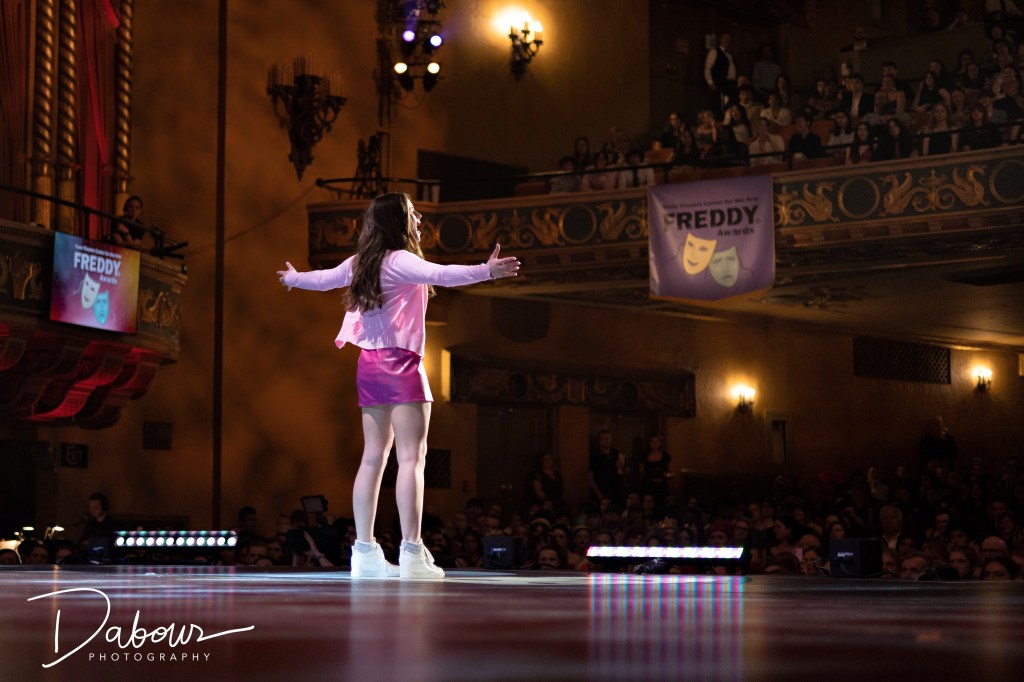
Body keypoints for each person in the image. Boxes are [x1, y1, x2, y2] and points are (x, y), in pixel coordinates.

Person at [277, 192, 521, 580]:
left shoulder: (361, 263)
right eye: (412, 212)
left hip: (369, 366)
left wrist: (292, 278)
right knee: (411, 458)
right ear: (398, 221)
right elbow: (442, 274)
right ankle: (411, 552)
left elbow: (322, 280)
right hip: (401, 364)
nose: (419, 217)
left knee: (372, 458)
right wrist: (485, 271)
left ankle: (365, 553)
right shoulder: (400, 260)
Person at [704, 32, 737, 113]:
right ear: (721, 40)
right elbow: (707, 69)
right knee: (719, 105)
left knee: (730, 105)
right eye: (726, 39)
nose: (728, 41)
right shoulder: (714, 52)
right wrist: (711, 83)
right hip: (720, 84)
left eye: (729, 40)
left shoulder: (730, 55)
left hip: (731, 84)